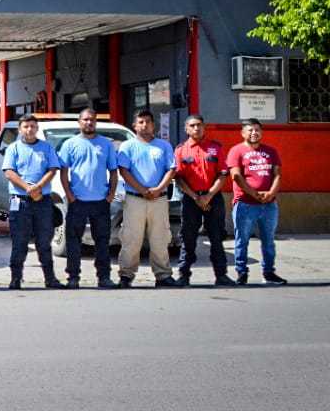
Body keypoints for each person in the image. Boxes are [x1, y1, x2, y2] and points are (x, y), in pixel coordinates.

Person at [57, 108, 119, 289]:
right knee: (73, 241)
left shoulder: (106, 145)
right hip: (78, 202)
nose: (89, 123)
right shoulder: (70, 144)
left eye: (92, 120)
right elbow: (63, 172)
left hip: (101, 202)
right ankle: (73, 278)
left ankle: (104, 277)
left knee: (102, 241)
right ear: (79, 122)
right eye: (85, 120)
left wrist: (110, 195)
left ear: (96, 122)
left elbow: (113, 172)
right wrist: (69, 195)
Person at [116, 110, 178, 288]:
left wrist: (158, 189)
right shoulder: (127, 146)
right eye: (140, 122)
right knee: (131, 239)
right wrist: (142, 190)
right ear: (134, 126)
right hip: (135, 199)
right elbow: (124, 171)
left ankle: (163, 275)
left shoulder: (164, 146)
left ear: (153, 125)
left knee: (160, 238)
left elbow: (171, 169)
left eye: (148, 122)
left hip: (158, 199)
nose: (144, 125)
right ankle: (126, 275)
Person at [2, 114, 63, 290]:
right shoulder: (13, 148)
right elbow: (9, 172)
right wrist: (27, 188)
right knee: (19, 242)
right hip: (19, 201)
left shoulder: (46, 148)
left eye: (33, 126)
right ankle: (15, 279)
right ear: (20, 129)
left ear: (37, 129)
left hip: (43, 201)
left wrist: (39, 187)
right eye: (26, 126)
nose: (29, 130)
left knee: (44, 242)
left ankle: (50, 279)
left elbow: (52, 169)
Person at [174, 114, 236, 286]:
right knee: (188, 237)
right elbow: (179, 178)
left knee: (216, 236)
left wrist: (208, 196)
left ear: (204, 127)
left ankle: (221, 275)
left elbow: (223, 175)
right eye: (192, 125)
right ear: (186, 129)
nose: (196, 128)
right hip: (190, 199)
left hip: (213, 198)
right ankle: (183, 275)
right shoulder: (181, 150)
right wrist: (195, 197)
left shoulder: (215, 148)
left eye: (199, 125)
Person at [226, 118, 286, 285]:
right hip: (245, 204)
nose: (254, 133)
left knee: (268, 241)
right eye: (250, 130)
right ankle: (242, 273)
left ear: (262, 132)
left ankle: (269, 272)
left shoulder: (271, 151)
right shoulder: (236, 151)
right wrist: (253, 194)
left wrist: (271, 193)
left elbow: (277, 174)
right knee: (242, 240)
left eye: (257, 130)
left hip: (269, 205)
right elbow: (236, 176)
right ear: (243, 133)